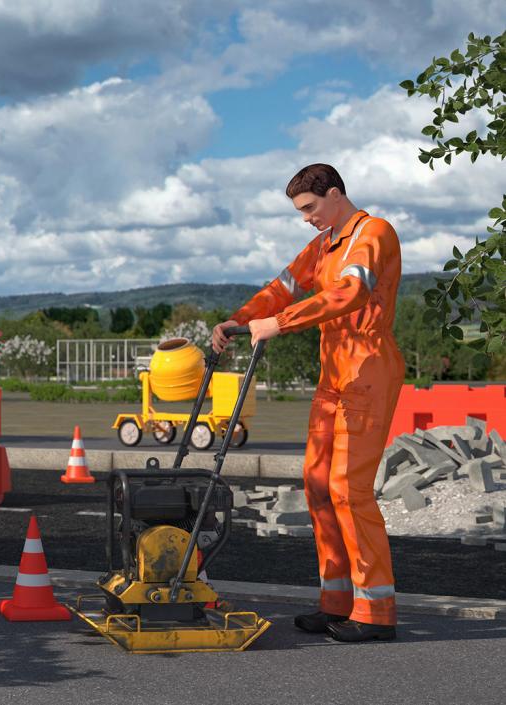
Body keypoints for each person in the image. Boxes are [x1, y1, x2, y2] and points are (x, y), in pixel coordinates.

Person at [212, 163, 404, 642]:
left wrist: (281, 324)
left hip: (368, 373)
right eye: (300, 211)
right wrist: (238, 321)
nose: (306, 218)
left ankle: (376, 613)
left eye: (310, 208)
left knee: (347, 489)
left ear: (335, 194)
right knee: (318, 486)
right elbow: (283, 289)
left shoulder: (372, 233)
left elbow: (352, 291)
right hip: (334, 377)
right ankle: (336, 602)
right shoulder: (323, 246)